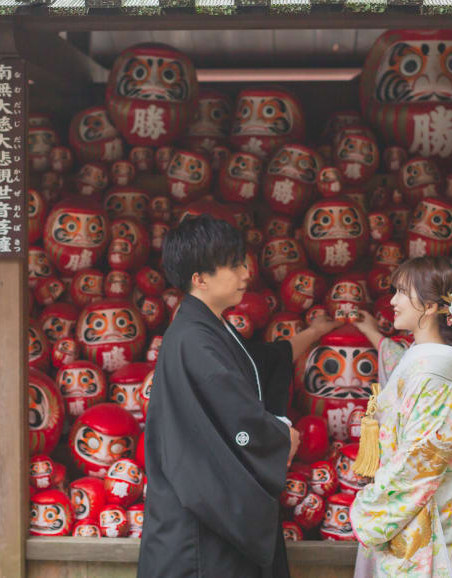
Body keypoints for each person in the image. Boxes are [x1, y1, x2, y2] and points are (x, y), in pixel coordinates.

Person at [137, 215, 339, 578]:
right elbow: (236, 416)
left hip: (207, 518)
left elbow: (263, 363)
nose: (246, 273)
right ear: (200, 279)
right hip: (199, 530)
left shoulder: (208, 329)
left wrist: (316, 332)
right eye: (234, 266)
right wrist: (278, 439)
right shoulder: (195, 339)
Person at [349, 256, 452, 577]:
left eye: (401, 292)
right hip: (444, 519)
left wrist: (369, 504)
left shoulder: (432, 376)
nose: (393, 301)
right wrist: (372, 331)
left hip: (420, 528)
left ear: (429, 307)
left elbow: (418, 463)